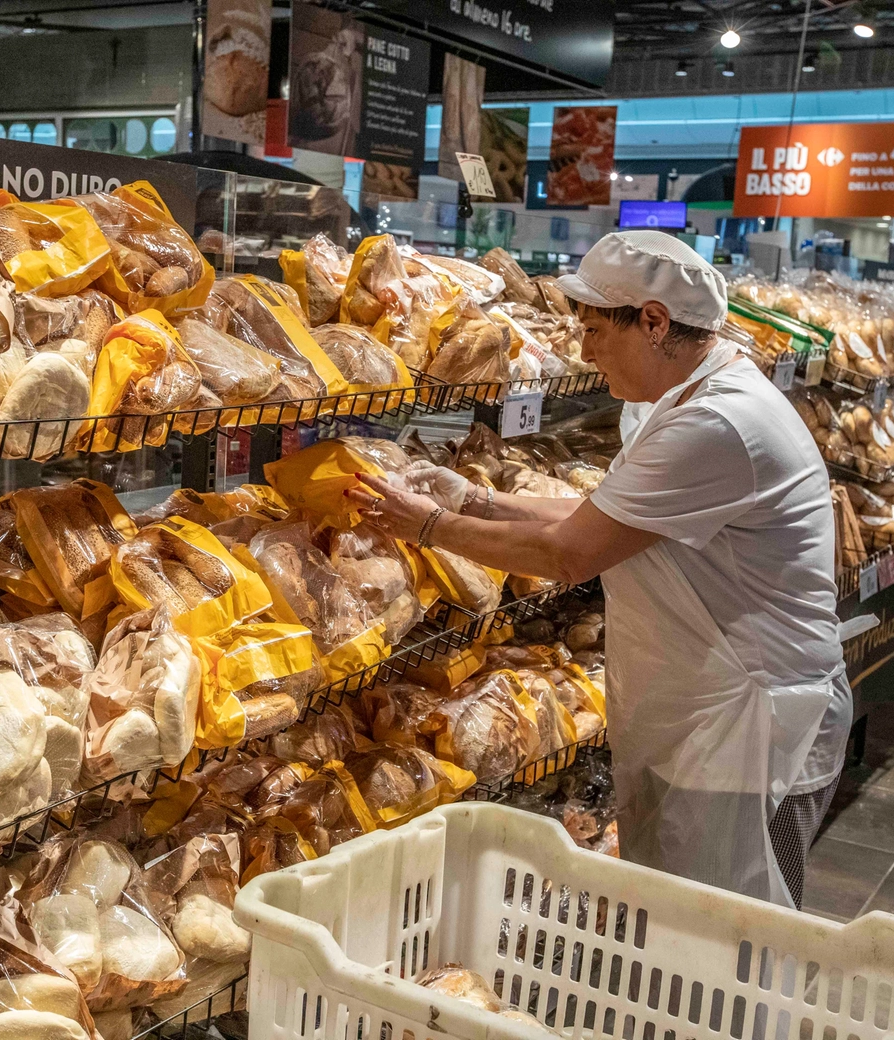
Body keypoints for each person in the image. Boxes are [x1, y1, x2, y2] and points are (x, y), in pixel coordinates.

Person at [349, 231, 850, 908]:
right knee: (681, 928)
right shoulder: (691, 401)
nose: (582, 351)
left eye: (593, 331)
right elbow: (599, 514)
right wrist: (476, 498)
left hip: (750, 725)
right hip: (713, 708)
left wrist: (431, 528)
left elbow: (571, 554)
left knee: (728, 945)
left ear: (653, 321)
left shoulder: (717, 422)